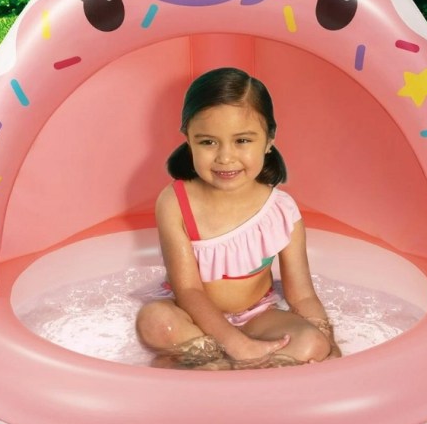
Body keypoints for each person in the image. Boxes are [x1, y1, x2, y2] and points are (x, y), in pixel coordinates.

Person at [136, 67, 342, 369]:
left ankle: (216, 370)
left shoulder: (281, 212)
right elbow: (188, 290)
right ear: (188, 139)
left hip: (256, 316)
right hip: (192, 318)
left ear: (269, 139)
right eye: (208, 142)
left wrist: (330, 343)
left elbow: (302, 296)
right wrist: (235, 344)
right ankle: (222, 364)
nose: (225, 157)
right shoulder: (175, 202)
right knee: (155, 320)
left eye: (242, 141)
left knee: (313, 343)